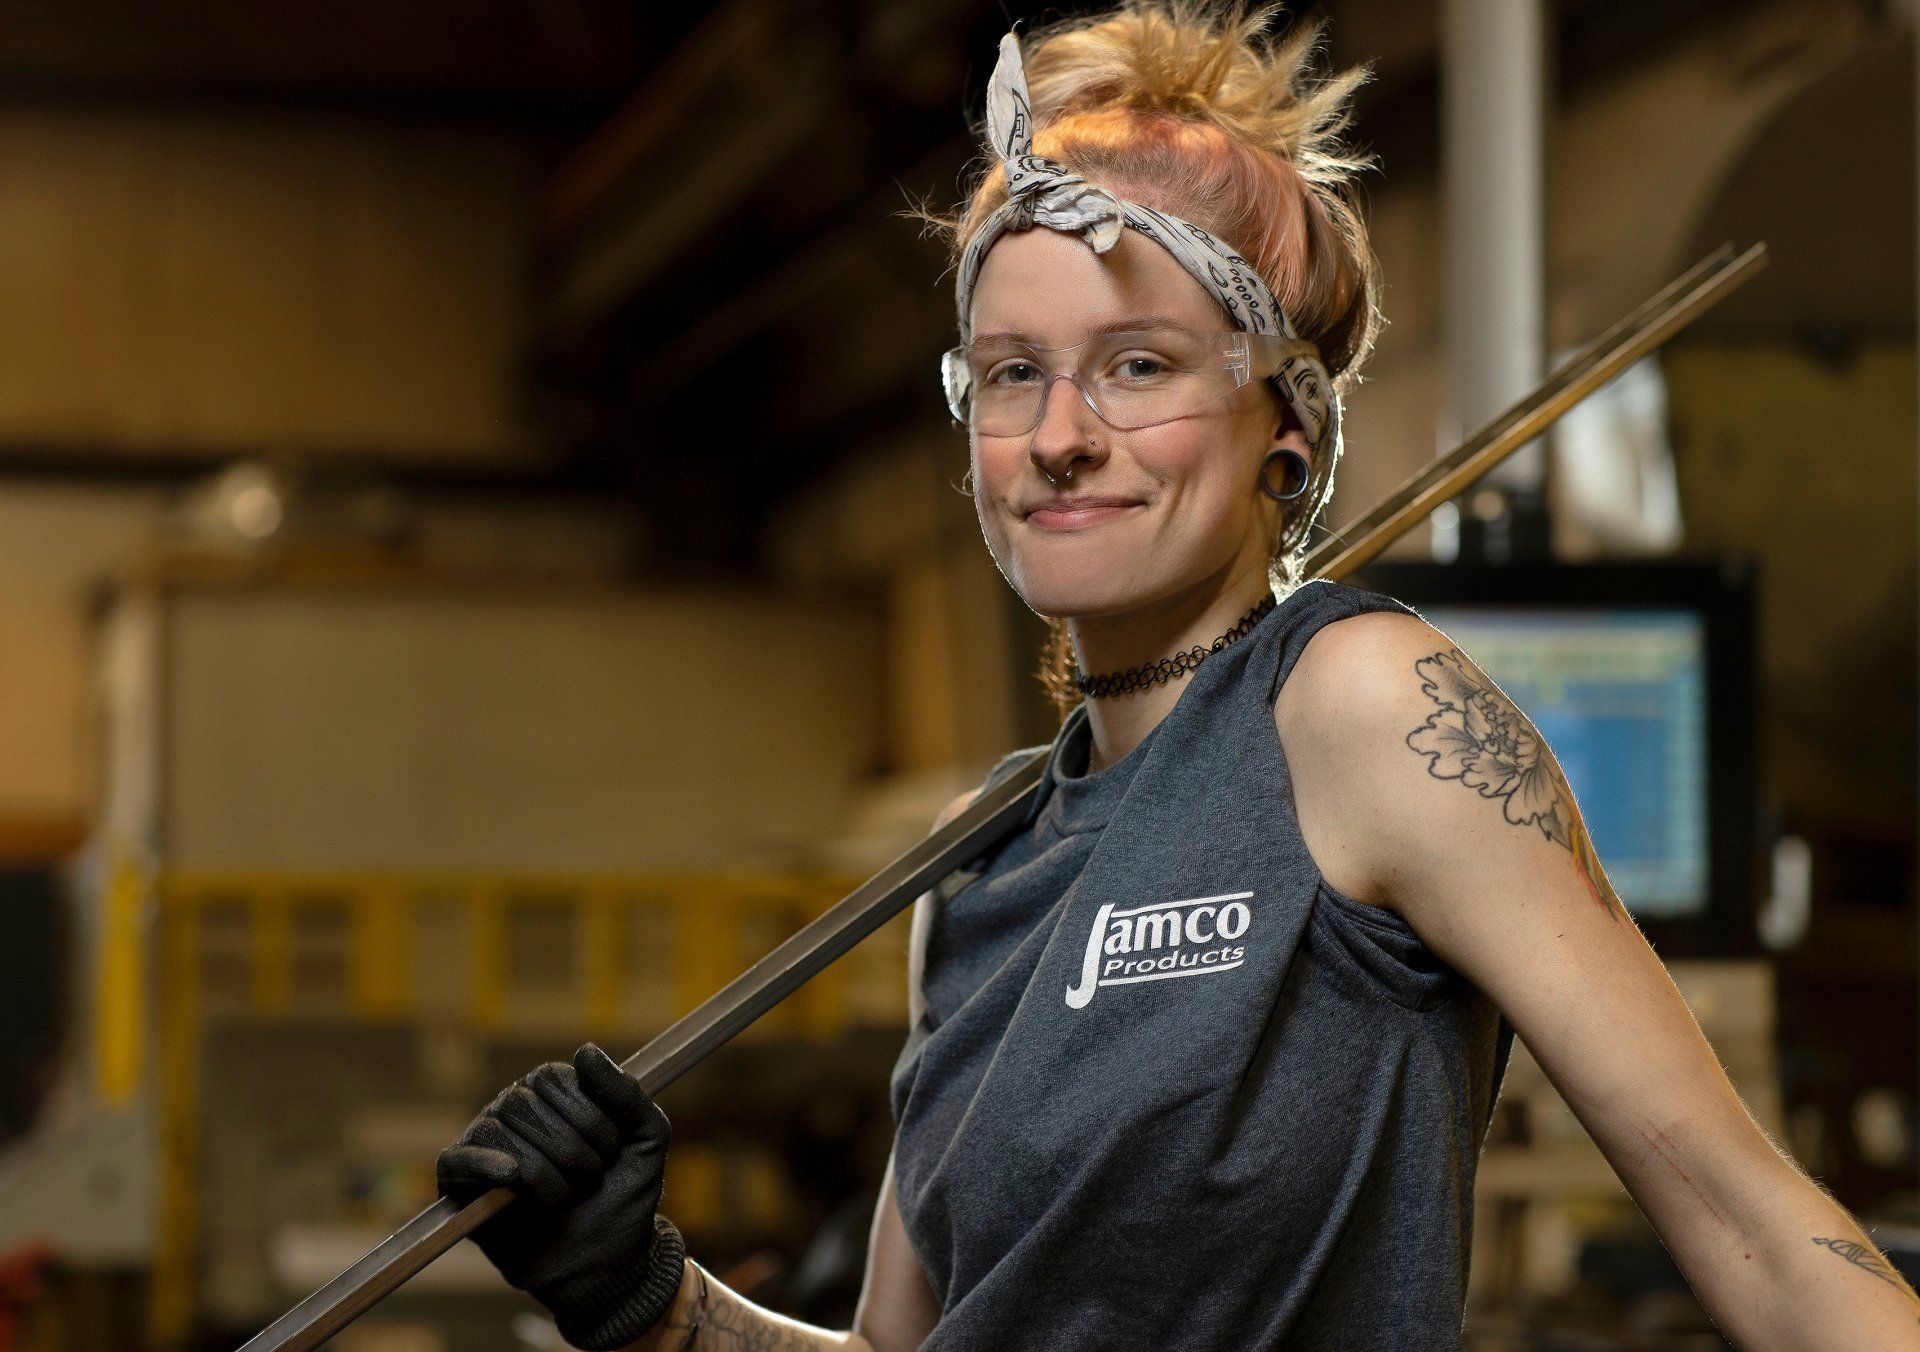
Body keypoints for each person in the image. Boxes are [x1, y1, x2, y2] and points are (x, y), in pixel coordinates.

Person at [435, 3, 1920, 1348]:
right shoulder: (977, 863)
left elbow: (1747, 1225)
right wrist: (642, 1295)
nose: (1062, 433)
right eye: (1013, 371)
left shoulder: (1360, 707)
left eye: (1138, 364)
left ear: (1286, 423)